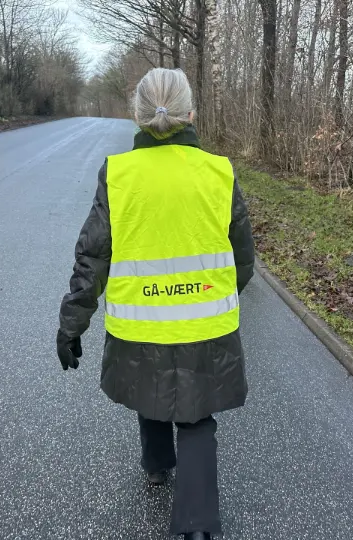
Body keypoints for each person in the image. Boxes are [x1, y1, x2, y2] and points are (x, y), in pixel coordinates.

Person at [56, 67, 255, 540]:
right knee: (197, 416)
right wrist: (213, 296)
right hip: (206, 325)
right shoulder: (218, 172)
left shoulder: (119, 174)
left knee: (151, 389)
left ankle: (157, 464)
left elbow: (93, 258)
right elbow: (242, 257)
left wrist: (71, 325)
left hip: (139, 326)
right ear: (191, 113)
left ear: (138, 116)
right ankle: (198, 525)